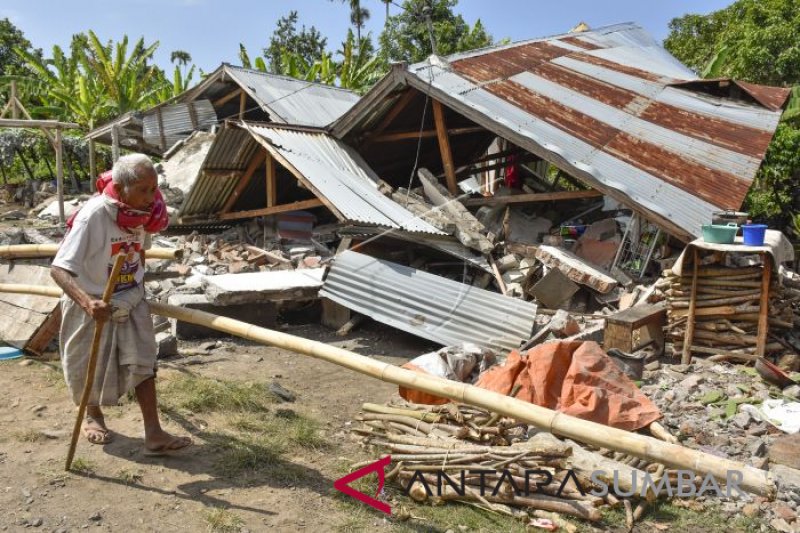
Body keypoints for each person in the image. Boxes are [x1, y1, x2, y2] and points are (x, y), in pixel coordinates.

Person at [51, 153, 191, 455]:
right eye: (143, 189)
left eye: (154, 188)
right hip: (90, 296)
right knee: (87, 363)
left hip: (129, 295)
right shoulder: (94, 216)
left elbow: (140, 250)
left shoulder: (146, 211)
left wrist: (136, 281)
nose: (151, 196)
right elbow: (58, 269)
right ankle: (94, 415)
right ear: (122, 186)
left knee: (144, 361)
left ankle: (154, 433)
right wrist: (88, 303)